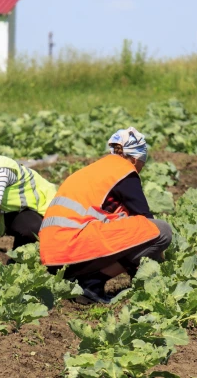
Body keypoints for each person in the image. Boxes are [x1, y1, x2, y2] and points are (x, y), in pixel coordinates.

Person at [39, 127, 173, 304]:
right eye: (143, 163)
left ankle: (78, 280)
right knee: (161, 230)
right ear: (135, 159)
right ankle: (91, 283)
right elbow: (147, 223)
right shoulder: (124, 171)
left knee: (127, 221)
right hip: (71, 249)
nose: (141, 168)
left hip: (52, 256)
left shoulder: (95, 170)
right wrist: (164, 270)